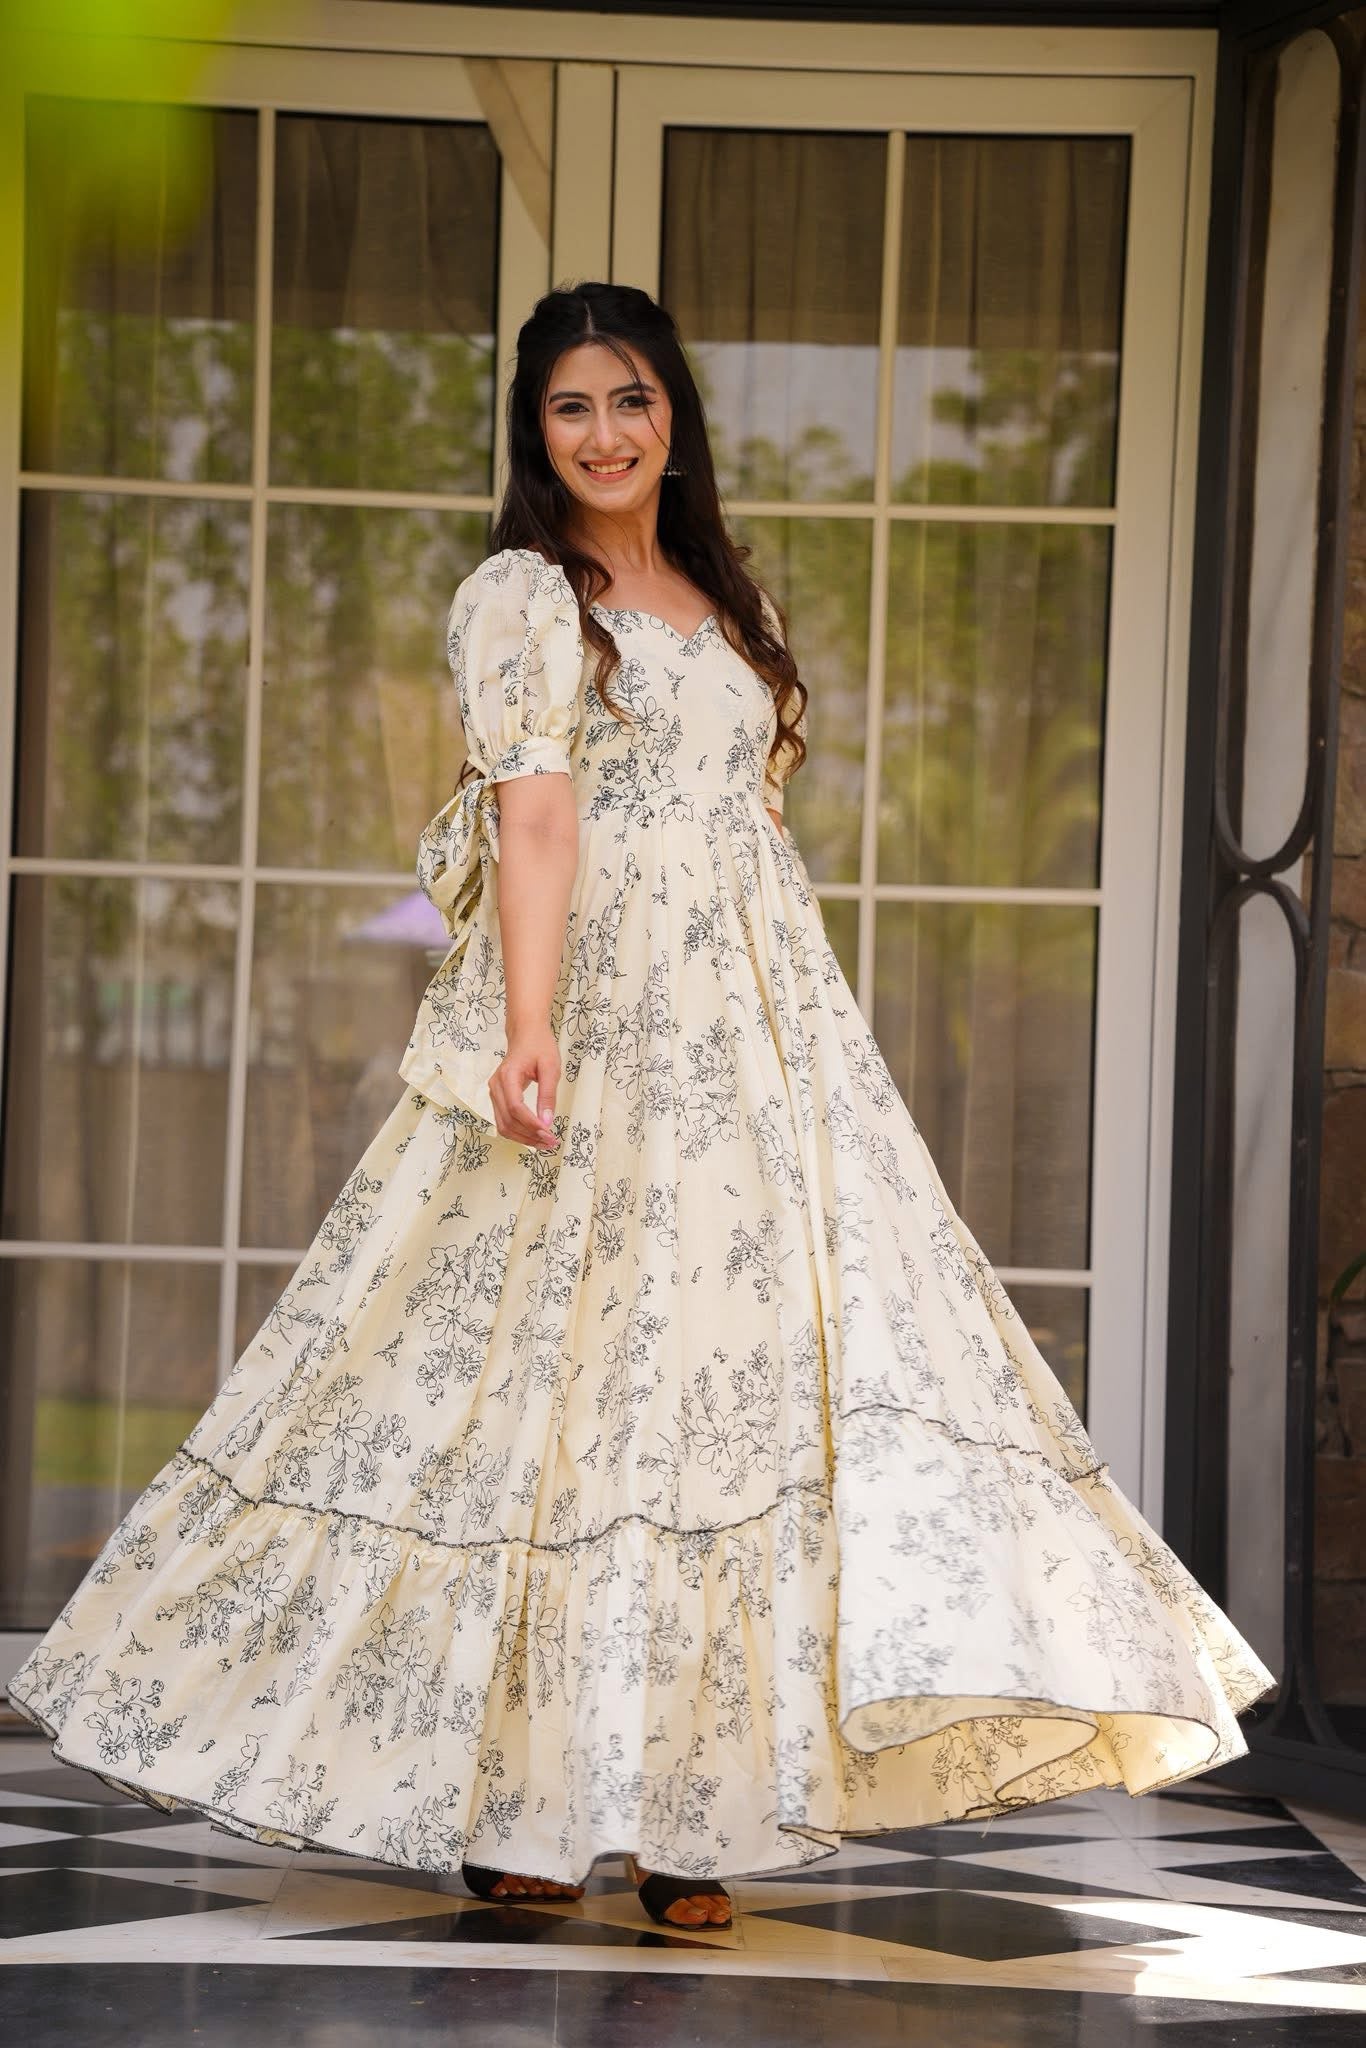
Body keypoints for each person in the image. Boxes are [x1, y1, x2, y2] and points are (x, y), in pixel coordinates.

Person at [8, 282, 1275, 1938]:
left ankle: (699, 1814)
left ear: (673, 414)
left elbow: (744, 841)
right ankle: (532, 1805)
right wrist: (530, 1034)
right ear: (533, 436)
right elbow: (536, 830)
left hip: (754, 1050)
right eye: (567, 409)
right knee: (547, 1397)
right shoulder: (527, 596)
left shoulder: (724, 598)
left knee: (728, 1399)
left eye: (630, 400)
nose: (603, 434)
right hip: (595, 1032)